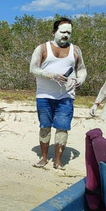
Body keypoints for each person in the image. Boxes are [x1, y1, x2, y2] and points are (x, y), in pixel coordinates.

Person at [30, 18, 87, 170]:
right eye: (62, 32)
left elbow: (82, 69)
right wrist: (51, 75)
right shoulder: (42, 48)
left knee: (62, 128)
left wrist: (80, 79)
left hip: (66, 96)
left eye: (69, 32)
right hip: (44, 95)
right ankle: (43, 158)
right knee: (45, 126)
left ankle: (58, 160)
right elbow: (33, 69)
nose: (65, 35)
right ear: (54, 32)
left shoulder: (75, 50)